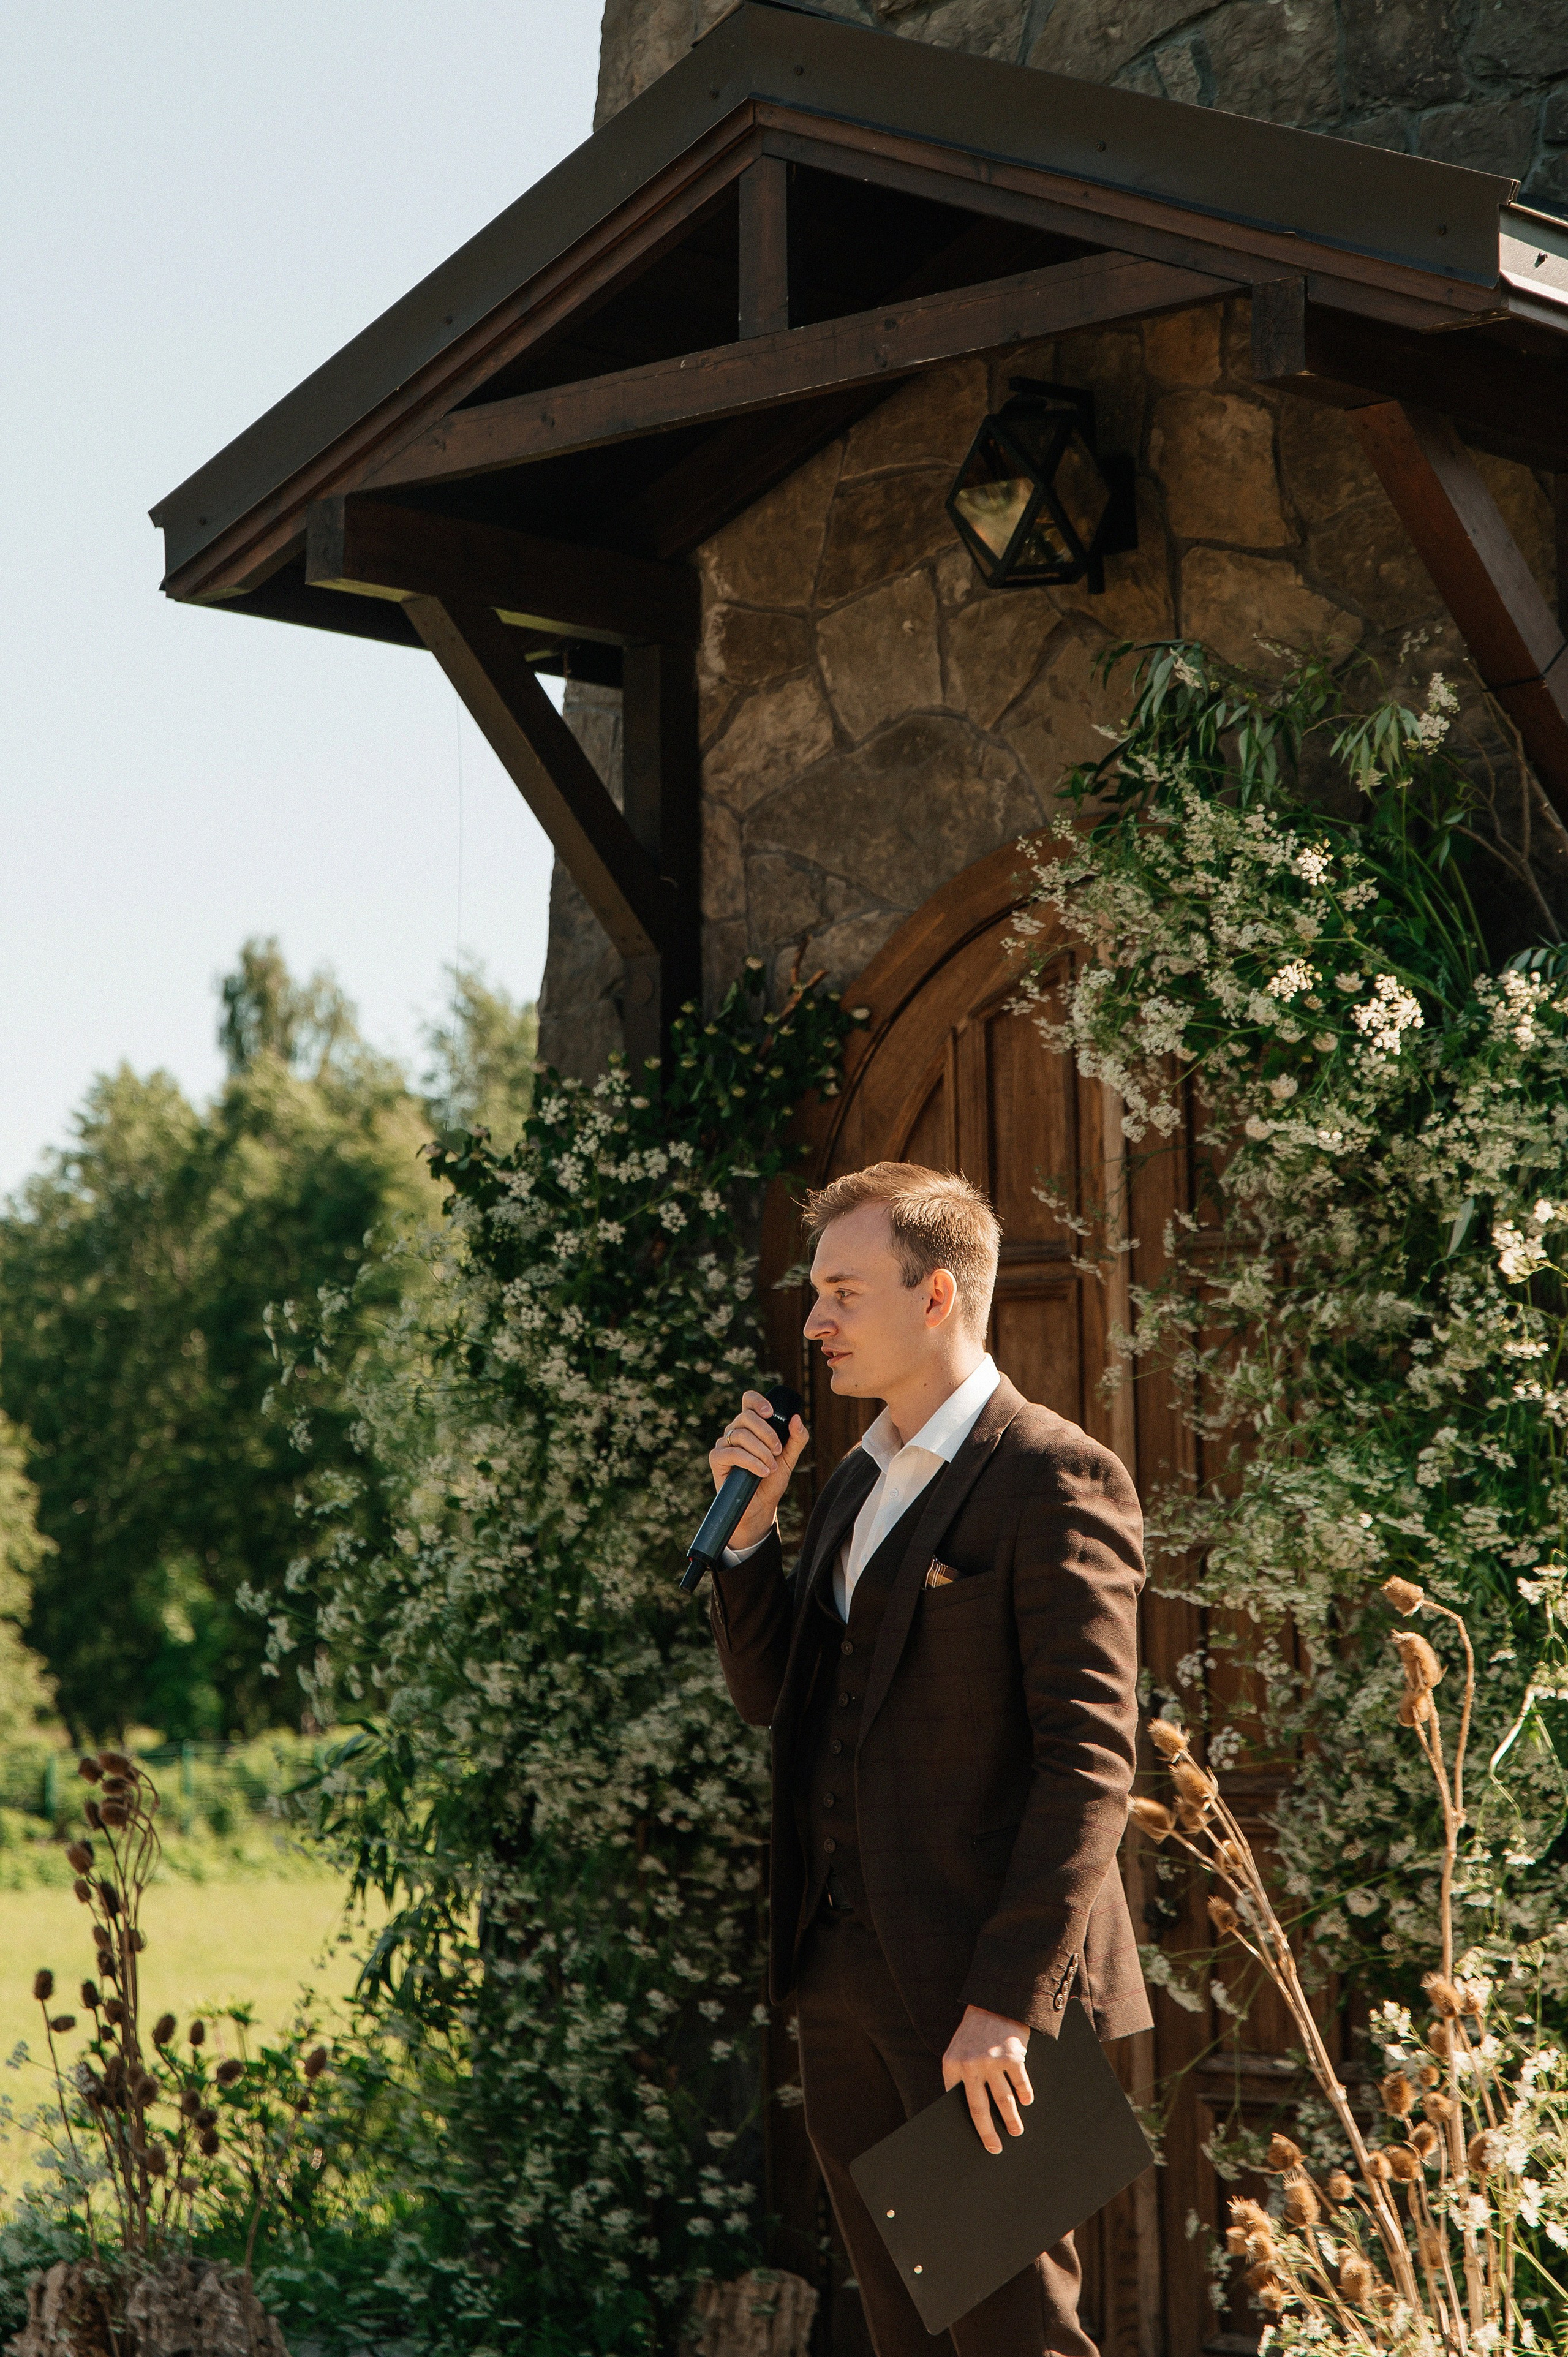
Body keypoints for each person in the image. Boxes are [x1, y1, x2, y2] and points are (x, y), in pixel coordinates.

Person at [705, 1161, 1148, 2357]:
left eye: (842, 1293)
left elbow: (1088, 1764)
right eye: (816, 1295)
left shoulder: (1054, 1475)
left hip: (979, 1992)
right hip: (840, 1982)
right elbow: (774, 1699)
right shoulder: (855, 1479)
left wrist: (1005, 2002)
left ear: (936, 1293)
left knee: (1014, 2335)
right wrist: (750, 1537)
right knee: (907, 2335)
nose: (814, 1323)